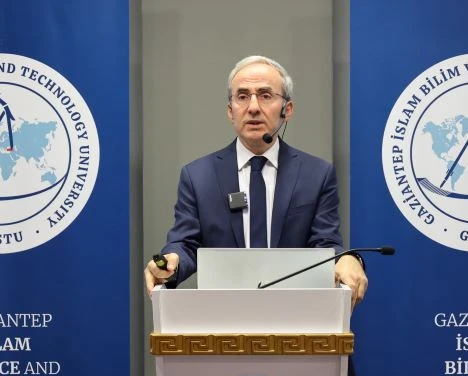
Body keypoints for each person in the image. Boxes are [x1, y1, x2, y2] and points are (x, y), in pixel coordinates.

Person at [144, 55, 367, 311]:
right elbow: (184, 244)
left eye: (265, 95)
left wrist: (348, 259)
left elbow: (325, 245)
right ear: (230, 111)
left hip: (294, 316)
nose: (252, 107)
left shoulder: (317, 174)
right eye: (242, 96)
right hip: (221, 317)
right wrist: (169, 262)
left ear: (287, 109)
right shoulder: (198, 176)